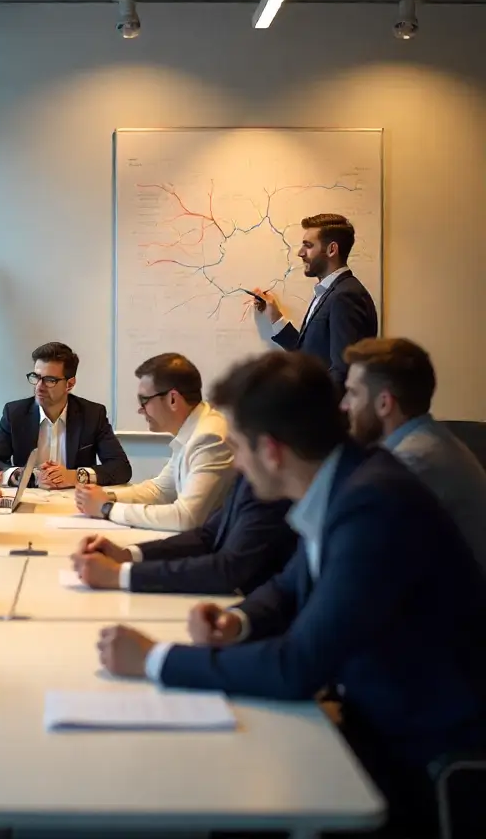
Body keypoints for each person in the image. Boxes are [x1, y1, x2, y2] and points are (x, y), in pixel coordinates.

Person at [96, 351, 486, 834]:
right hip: (370, 713)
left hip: (421, 748)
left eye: (239, 446)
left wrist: (156, 660)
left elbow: (297, 667)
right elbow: (289, 585)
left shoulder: (372, 503)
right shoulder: (349, 479)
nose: (235, 462)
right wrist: (238, 620)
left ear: (273, 450)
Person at [342, 336, 486, 574]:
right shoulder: (428, 440)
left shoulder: (411, 463)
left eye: (353, 393)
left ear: (384, 404)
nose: (344, 405)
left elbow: (357, 558)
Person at [74, 353, 235, 531]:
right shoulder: (195, 429)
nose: (140, 410)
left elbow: (186, 518)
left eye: (144, 400)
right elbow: (159, 490)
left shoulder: (208, 438)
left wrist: (107, 508)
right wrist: (105, 496)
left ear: (173, 399)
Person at [70, 473, 294, 595]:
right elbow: (207, 536)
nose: (232, 456)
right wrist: (127, 556)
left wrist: (119, 575)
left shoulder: (270, 483)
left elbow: (228, 569)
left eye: (235, 440)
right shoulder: (249, 473)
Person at [0, 341, 131, 489]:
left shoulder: (92, 414)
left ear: (69, 384)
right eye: (36, 377)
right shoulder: (15, 413)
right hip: (29, 501)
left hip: (76, 502)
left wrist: (75, 476)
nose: (39, 386)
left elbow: (121, 468)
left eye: (49, 380)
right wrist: (26, 476)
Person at [252, 212, 377, 390]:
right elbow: (310, 356)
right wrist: (276, 318)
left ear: (331, 249)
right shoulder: (330, 292)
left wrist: (314, 413)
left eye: (308, 246)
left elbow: (343, 372)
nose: (300, 253)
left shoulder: (345, 296)